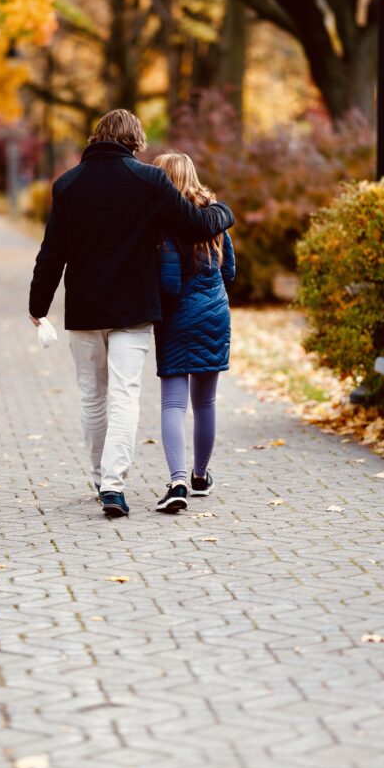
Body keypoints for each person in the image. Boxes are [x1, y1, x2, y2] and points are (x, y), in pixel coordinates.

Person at [28, 109, 234, 518]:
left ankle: (97, 474)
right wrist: (225, 213)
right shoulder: (149, 180)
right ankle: (113, 486)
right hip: (134, 308)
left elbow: (53, 252)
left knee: (92, 397)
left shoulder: (67, 185)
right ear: (136, 141)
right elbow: (195, 224)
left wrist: (38, 305)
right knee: (125, 396)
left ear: (96, 137)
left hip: (85, 309)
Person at [151, 152, 235, 514]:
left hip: (178, 318)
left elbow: (168, 284)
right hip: (215, 314)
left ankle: (178, 480)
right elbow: (228, 270)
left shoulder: (163, 223)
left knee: (173, 402)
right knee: (205, 403)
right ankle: (201, 476)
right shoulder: (213, 216)